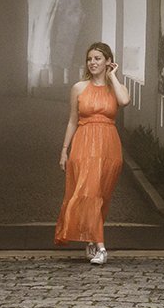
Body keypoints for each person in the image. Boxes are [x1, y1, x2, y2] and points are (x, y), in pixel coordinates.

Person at [54, 42, 131, 264]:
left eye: (98, 58)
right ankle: (101, 247)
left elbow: (124, 101)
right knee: (87, 193)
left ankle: (90, 238)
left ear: (108, 61)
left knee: (101, 197)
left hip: (109, 146)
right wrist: (64, 151)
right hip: (84, 144)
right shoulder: (79, 88)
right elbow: (72, 121)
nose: (93, 62)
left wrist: (113, 76)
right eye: (90, 59)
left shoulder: (115, 87)